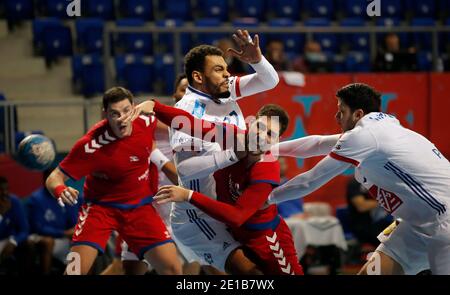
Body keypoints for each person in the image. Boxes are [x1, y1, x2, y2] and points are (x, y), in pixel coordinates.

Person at [267, 83, 450, 275]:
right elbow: (319, 143)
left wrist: (266, 198)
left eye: (341, 111)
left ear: (358, 114)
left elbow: (309, 181)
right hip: (415, 225)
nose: (336, 117)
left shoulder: (365, 135)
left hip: (444, 224)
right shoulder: (378, 130)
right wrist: (270, 149)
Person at [152, 29, 280, 274]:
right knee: (252, 274)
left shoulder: (225, 90)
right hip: (197, 214)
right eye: (219, 69)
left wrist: (257, 62)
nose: (227, 73)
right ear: (199, 77)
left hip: (225, 207)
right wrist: (234, 154)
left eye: (226, 67)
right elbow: (185, 171)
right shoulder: (187, 109)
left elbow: (270, 81)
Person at [152, 103, 304, 275]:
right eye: (260, 127)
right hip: (230, 232)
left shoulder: (267, 169)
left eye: (270, 134)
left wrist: (188, 195)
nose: (262, 136)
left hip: (265, 238)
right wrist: (154, 106)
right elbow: (192, 125)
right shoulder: (233, 136)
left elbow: (236, 216)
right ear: (250, 123)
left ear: (277, 141)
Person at [45, 87, 182, 275]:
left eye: (126, 111)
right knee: (74, 271)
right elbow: (54, 178)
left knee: (173, 269)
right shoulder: (91, 145)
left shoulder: (146, 121)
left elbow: (179, 125)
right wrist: (60, 190)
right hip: (100, 210)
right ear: (105, 115)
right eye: (114, 114)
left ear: (134, 109)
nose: (122, 118)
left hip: (139, 209)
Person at [27, 169, 80, 274]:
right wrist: (63, 233)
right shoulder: (36, 199)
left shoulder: (65, 194)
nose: (54, 182)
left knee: (85, 242)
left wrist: (74, 230)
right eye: (51, 179)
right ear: (46, 180)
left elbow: (73, 219)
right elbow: (38, 227)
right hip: (39, 237)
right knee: (48, 242)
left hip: (63, 239)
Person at [346, 178, 393, 247]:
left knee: (400, 228)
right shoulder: (356, 182)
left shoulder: (379, 181)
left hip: (382, 222)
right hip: (364, 225)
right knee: (390, 239)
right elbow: (361, 206)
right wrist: (385, 202)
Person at [0, 177, 29, 273]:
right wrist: (1, 214)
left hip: (9, 239)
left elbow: (24, 230)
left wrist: (14, 241)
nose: (5, 193)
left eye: (6, 189)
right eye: (1, 190)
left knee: (28, 245)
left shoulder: (14, 201)